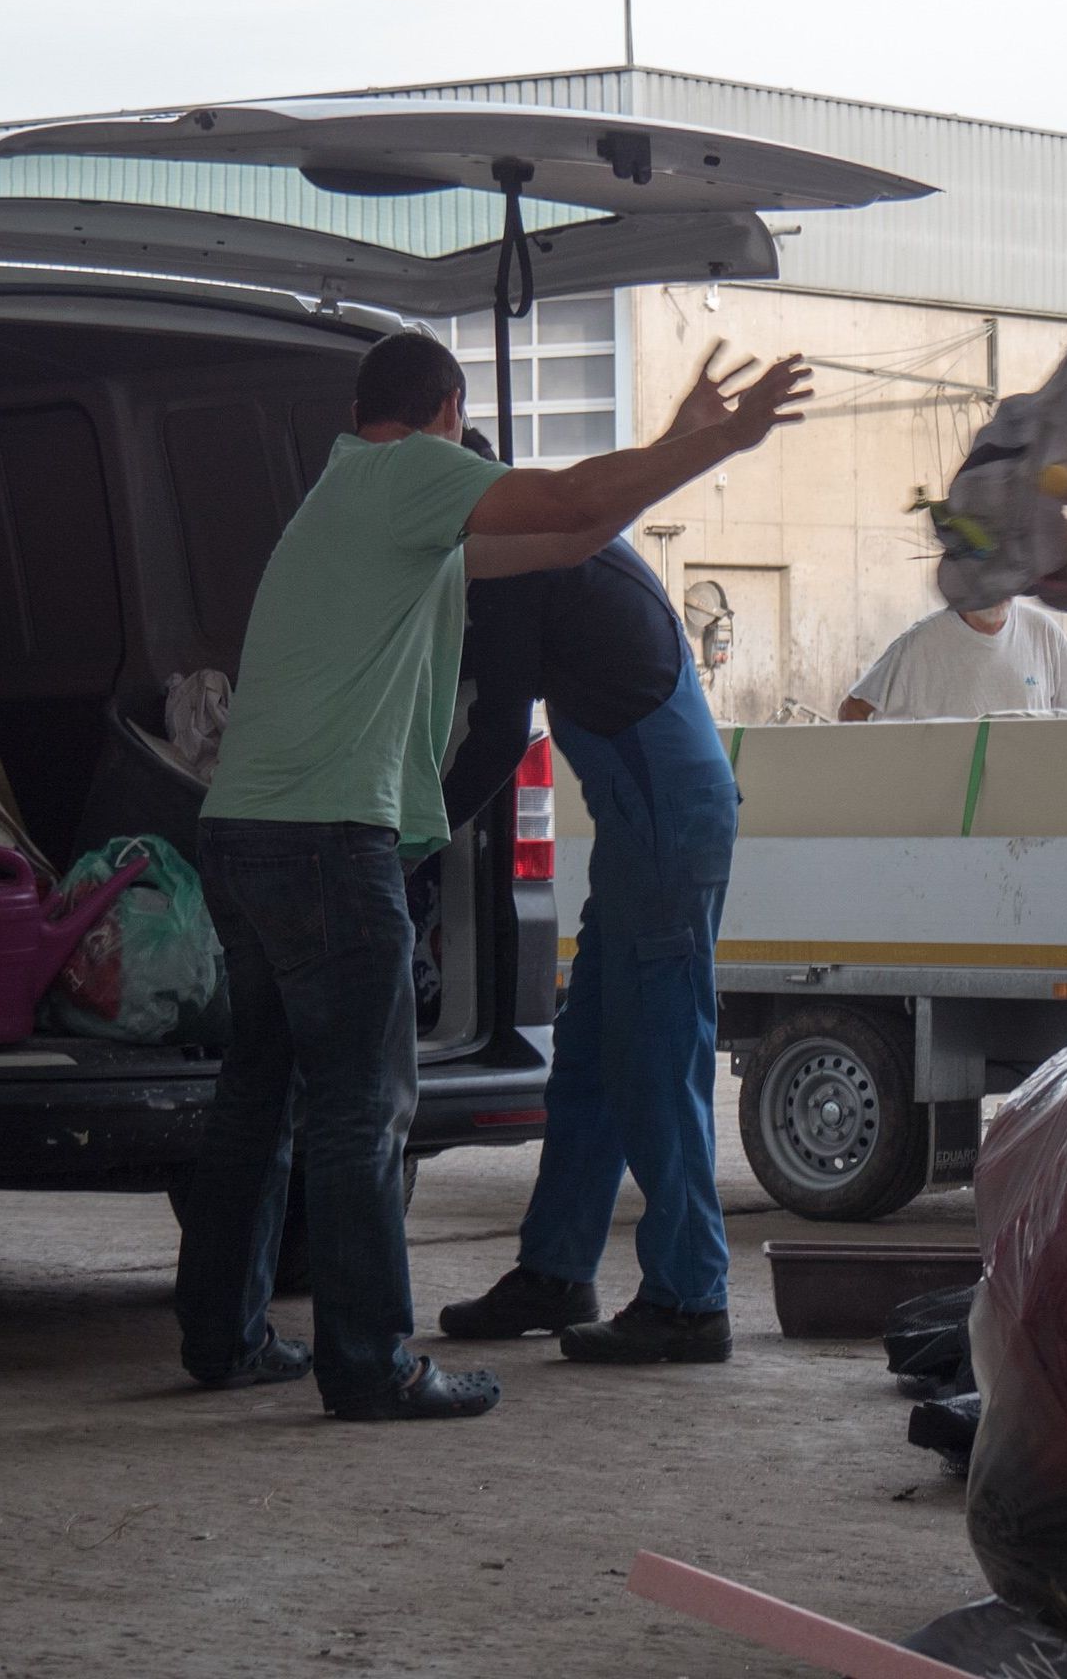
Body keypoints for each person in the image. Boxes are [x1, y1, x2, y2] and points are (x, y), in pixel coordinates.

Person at [175, 331, 810, 1421]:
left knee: (262, 1094)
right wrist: (723, 441)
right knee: (362, 1110)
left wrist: (678, 444)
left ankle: (227, 1336)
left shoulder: (346, 498)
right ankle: (371, 1363)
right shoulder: (414, 471)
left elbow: (574, 523)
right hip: (330, 836)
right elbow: (563, 499)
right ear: (447, 410)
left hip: (248, 827)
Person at [436, 346, 757, 1366]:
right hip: (641, 812)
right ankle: (558, 1268)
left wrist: (408, 844)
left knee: (658, 1050)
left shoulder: (520, 549)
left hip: (664, 808)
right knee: (589, 1049)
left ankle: (690, 1294)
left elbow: (495, 732)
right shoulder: (532, 524)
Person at [837, 598, 1067, 721]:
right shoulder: (919, 644)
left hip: (1029, 802)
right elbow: (852, 711)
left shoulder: (1045, 634)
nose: (996, 591)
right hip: (944, 809)